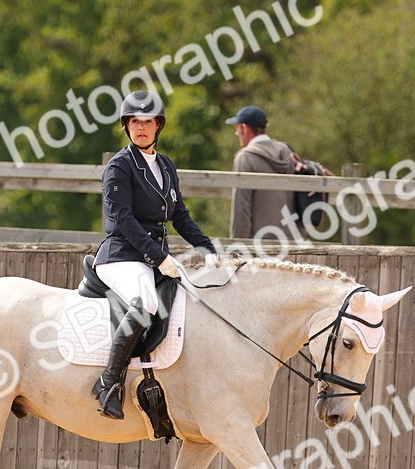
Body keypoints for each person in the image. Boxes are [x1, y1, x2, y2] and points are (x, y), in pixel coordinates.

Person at [92, 89, 218, 420]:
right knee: (146, 304)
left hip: (151, 258)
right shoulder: (119, 166)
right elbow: (124, 220)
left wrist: (208, 249)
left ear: (158, 126)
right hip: (121, 256)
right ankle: (108, 384)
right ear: (127, 126)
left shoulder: (165, 165)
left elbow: (179, 216)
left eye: (148, 122)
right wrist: (160, 258)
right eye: (135, 122)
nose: (141, 128)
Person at [225, 105, 295, 239]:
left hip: (259, 245)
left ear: (245, 128)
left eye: (237, 128)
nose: (236, 133)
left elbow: (242, 208)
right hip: (290, 242)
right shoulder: (286, 151)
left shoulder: (245, 157)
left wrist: (237, 245)